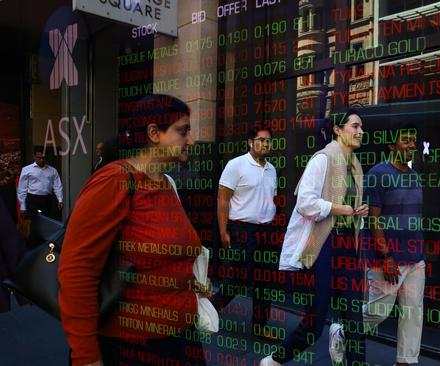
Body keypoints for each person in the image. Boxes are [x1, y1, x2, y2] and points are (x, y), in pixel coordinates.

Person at [58, 94, 207, 366]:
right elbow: (77, 272)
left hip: (179, 339)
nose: (191, 140)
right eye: (183, 130)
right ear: (154, 133)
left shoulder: (164, 183)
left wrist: (189, 282)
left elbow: (160, 255)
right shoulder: (114, 180)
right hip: (132, 346)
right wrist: (86, 356)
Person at [261, 109, 369, 366]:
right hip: (323, 247)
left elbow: (350, 208)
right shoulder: (322, 159)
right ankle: (274, 360)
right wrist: (338, 208)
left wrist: (357, 213)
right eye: (354, 126)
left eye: (361, 127)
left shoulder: (355, 165)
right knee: (315, 323)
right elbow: (305, 204)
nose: (360, 131)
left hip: (347, 248)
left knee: (355, 321)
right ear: (337, 129)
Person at [362, 125, 426, 366]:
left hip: (415, 260)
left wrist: (420, 252)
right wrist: (386, 257)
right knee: (378, 312)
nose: (412, 145)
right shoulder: (378, 174)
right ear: (391, 146)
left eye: (414, 141)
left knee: (413, 313)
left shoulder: (415, 176)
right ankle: (343, 331)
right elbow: (373, 219)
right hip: (387, 259)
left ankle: (406, 362)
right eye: (406, 141)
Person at [216, 127, 277, 340]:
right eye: (262, 140)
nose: (266, 144)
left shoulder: (271, 169)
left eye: (269, 141)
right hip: (242, 229)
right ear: (251, 142)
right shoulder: (236, 165)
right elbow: (223, 199)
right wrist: (223, 231)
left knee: (265, 280)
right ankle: (211, 310)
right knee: (239, 278)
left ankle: (260, 326)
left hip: (266, 231)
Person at [16, 147, 63, 220]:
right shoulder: (26, 169)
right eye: (39, 157)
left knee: (47, 222)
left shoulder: (52, 170)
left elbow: (57, 186)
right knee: (32, 223)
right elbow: (22, 188)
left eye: (43, 158)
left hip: (47, 199)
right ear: (34, 157)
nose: (41, 160)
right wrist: (23, 206)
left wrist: (60, 200)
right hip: (32, 199)